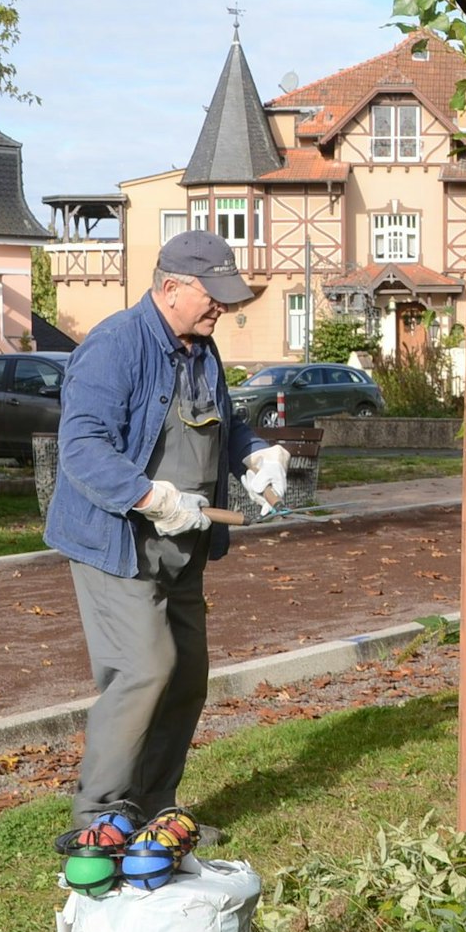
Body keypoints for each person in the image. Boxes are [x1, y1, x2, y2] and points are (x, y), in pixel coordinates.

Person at [44, 230, 291, 827]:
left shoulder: (201, 349)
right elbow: (81, 449)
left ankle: (154, 812)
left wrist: (256, 455)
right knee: (144, 669)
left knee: (184, 677)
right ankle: (98, 821)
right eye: (214, 295)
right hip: (119, 544)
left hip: (187, 546)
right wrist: (150, 496)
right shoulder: (114, 346)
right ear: (171, 286)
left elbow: (224, 426)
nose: (223, 308)